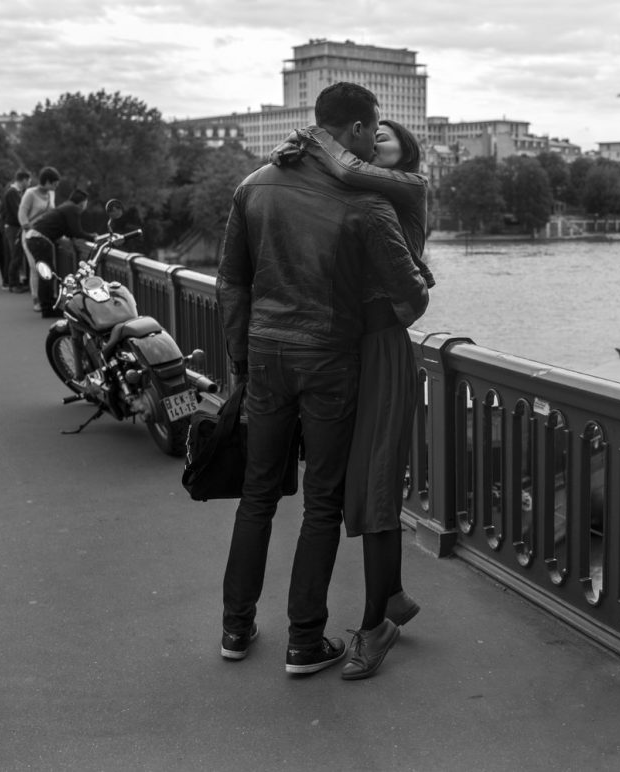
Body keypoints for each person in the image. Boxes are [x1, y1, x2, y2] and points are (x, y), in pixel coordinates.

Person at [217, 82, 428, 681]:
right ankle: (303, 642)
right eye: (374, 128)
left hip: (265, 355)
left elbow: (232, 281)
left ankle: (236, 626)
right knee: (322, 503)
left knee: (257, 493)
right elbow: (410, 299)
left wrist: (241, 360)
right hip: (330, 357)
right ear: (359, 130)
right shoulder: (365, 203)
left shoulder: (253, 186)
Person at [269, 118, 434, 673]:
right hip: (347, 347)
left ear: (403, 149)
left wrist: (314, 138)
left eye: (382, 136)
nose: (371, 143)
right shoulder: (360, 196)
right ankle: (392, 598)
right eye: (369, 134)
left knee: (375, 486)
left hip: (383, 349)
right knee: (364, 483)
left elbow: (342, 163)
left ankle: (374, 627)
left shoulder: (409, 186)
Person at [22, 188, 96, 313]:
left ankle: (48, 303)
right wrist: (92, 237)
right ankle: (47, 307)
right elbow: (76, 231)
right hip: (40, 239)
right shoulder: (73, 209)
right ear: (82, 202)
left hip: (33, 237)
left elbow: (67, 230)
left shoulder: (66, 207)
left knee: (47, 272)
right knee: (47, 273)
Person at [18, 167, 60, 309]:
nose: (55, 187)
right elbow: (22, 215)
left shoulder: (51, 194)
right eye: (54, 184)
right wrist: (31, 229)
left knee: (48, 268)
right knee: (35, 267)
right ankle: (37, 299)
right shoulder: (30, 193)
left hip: (46, 237)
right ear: (47, 181)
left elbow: (53, 212)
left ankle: (49, 297)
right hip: (31, 236)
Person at [1, 170, 32, 292]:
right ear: (23, 180)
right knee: (16, 256)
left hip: (12, 228)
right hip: (13, 229)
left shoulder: (14, 192)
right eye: (28, 181)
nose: (29, 183)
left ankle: (13, 282)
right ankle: (13, 284)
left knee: (15, 255)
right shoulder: (13, 193)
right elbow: (18, 212)